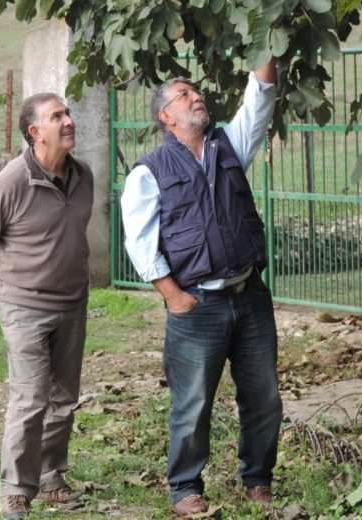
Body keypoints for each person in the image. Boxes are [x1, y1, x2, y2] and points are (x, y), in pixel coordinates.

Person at [121, 59, 282, 517]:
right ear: (166, 116)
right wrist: (174, 296)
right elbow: (140, 241)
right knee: (192, 402)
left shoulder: (229, 146)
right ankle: (185, 488)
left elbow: (259, 101)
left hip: (249, 296)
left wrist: (268, 41)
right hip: (197, 306)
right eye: (184, 95)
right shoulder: (149, 172)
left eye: (196, 92)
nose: (197, 97)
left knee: (264, 396)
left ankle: (258, 480)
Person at [0, 92, 94, 520]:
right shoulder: (11, 182)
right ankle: (15, 490)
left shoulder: (83, 175)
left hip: (72, 302)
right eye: (57, 116)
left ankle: (52, 477)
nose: (68, 121)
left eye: (67, 113)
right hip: (23, 307)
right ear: (35, 132)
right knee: (31, 396)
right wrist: (10, 284)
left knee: (63, 397)